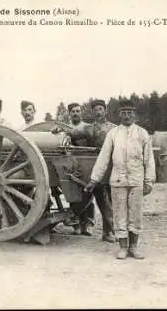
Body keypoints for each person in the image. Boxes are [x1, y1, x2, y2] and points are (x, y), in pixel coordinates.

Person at [85, 100, 155, 259]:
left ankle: (134, 247)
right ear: (119, 114)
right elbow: (103, 158)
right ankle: (123, 247)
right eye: (124, 113)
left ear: (135, 114)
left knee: (136, 214)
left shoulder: (142, 134)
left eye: (130, 112)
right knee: (120, 214)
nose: (127, 116)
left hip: (137, 180)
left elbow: (149, 160)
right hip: (118, 180)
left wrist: (149, 181)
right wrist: (94, 179)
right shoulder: (113, 134)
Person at [58, 100, 117, 242]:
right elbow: (73, 133)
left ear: (105, 111)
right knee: (97, 199)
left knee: (108, 201)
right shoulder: (90, 129)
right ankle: (73, 220)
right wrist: (59, 131)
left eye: (101, 109)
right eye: (96, 109)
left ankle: (107, 232)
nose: (98, 112)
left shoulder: (114, 129)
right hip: (93, 168)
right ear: (92, 112)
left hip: (111, 167)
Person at [65, 102, 95, 235]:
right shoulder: (66, 128)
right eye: (73, 111)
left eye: (78, 111)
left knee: (88, 193)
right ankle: (76, 225)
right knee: (73, 193)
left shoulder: (87, 127)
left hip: (86, 162)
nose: (76, 113)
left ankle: (87, 225)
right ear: (69, 114)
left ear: (81, 112)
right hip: (72, 163)